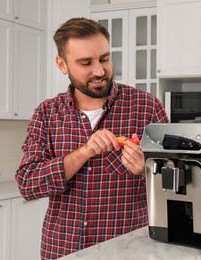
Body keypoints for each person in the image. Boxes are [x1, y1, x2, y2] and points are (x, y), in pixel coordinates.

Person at [15, 17, 168, 260]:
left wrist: (149, 171)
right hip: (62, 250)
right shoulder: (46, 114)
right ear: (62, 64)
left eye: (104, 59)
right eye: (86, 62)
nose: (99, 71)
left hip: (129, 251)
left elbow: (179, 183)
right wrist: (82, 153)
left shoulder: (147, 107)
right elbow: (27, 184)